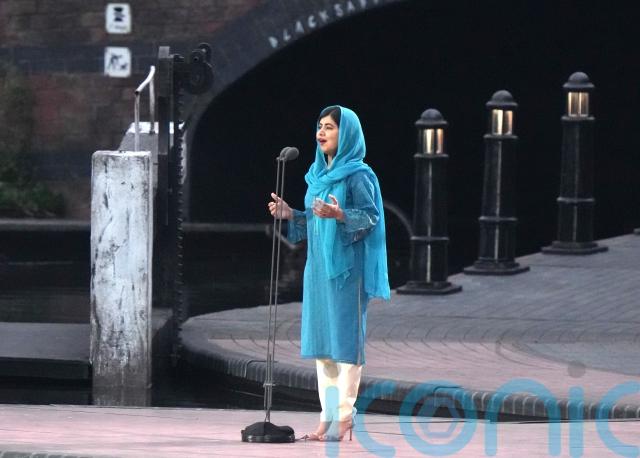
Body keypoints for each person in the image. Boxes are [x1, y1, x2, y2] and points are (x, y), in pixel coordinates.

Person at [267, 105, 390, 441]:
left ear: (346, 133)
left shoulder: (359, 175)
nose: (321, 133)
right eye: (320, 126)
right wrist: (291, 214)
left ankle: (345, 417)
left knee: (345, 343)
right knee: (323, 344)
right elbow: (313, 219)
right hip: (318, 269)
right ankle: (327, 417)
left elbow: (370, 217)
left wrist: (340, 215)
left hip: (347, 270)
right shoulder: (317, 175)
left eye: (330, 127)